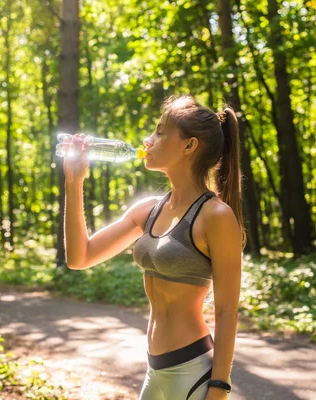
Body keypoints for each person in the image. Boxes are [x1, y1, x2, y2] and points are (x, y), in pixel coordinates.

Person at [63, 95, 246, 400]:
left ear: (189, 146)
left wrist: (220, 387)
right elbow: (80, 257)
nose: (148, 140)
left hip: (192, 372)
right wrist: (74, 182)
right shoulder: (149, 210)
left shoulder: (216, 216)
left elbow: (227, 311)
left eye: (160, 132)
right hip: (155, 370)